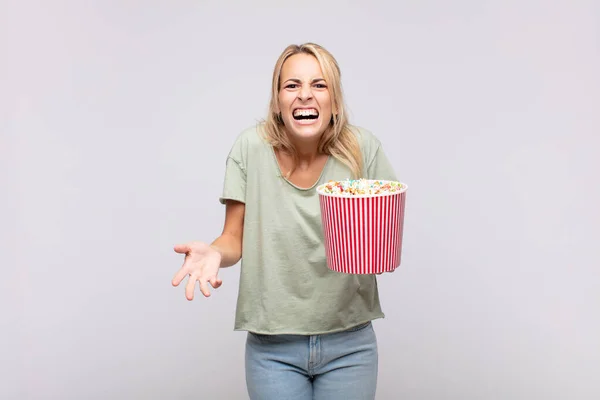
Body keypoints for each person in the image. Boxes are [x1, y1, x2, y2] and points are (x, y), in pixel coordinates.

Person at [171, 42, 398, 400]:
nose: (305, 95)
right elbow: (233, 237)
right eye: (292, 85)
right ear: (277, 99)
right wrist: (215, 252)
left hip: (350, 342)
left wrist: (376, 248)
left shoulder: (361, 149)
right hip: (272, 348)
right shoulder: (249, 148)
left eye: (319, 85)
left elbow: (382, 233)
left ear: (334, 99)